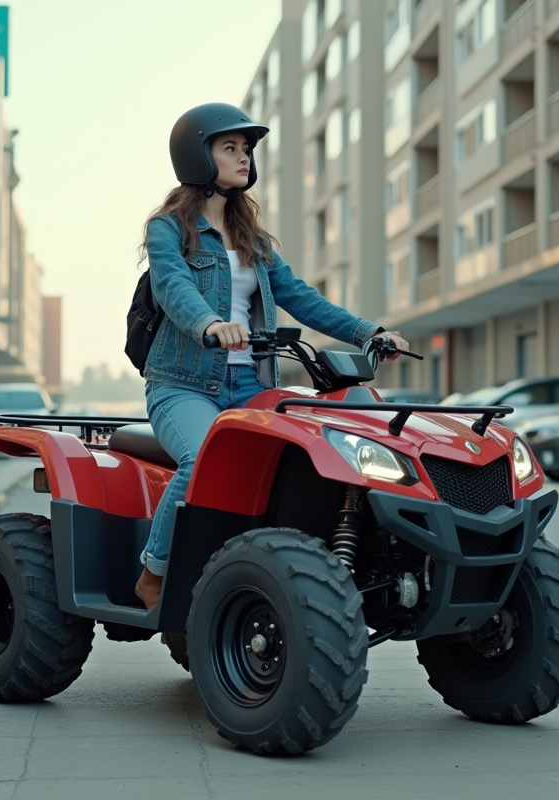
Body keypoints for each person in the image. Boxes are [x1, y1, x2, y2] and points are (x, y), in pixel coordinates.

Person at [134, 103, 409, 610]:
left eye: (246, 150)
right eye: (230, 148)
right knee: (200, 460)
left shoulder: (252, 240)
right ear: (198, 157)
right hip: (184, 385)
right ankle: (154, 569)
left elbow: (301, 298)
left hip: (250, 387)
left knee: (309, 459)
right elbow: (172, 287)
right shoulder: (168, 229)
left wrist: (369, 332)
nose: (244, 158)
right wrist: (210, 325)